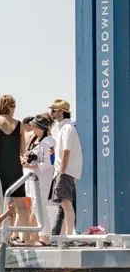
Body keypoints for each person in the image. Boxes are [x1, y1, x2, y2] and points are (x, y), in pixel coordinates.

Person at [0, 95, 30, 245]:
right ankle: (26, 239)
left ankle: (4, 239)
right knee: (22, 207)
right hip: (15, 169)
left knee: (0, 207)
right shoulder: (20, 125)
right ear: (10, 107)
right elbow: (23, 149)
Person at [49, 99, 82, 236]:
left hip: (64, 172)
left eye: (54, 110)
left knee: (66, 203)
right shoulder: (64, 128)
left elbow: (66, 151)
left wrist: (61, 171)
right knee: (64, 204)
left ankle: (69, 234)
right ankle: (68, 234)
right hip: (64, 171)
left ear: (62, 112)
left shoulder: (67, 128)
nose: (51, 113)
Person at [22, 115, 56, 246]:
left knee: (39, 206)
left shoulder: (49, 142)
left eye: (35, 126)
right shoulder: (38, 141)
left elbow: (50, 163)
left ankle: (46, 236)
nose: (33, 129)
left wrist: (33, 166)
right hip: (34, 178)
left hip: (43, 178)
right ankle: (44, 235)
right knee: (36, 206)